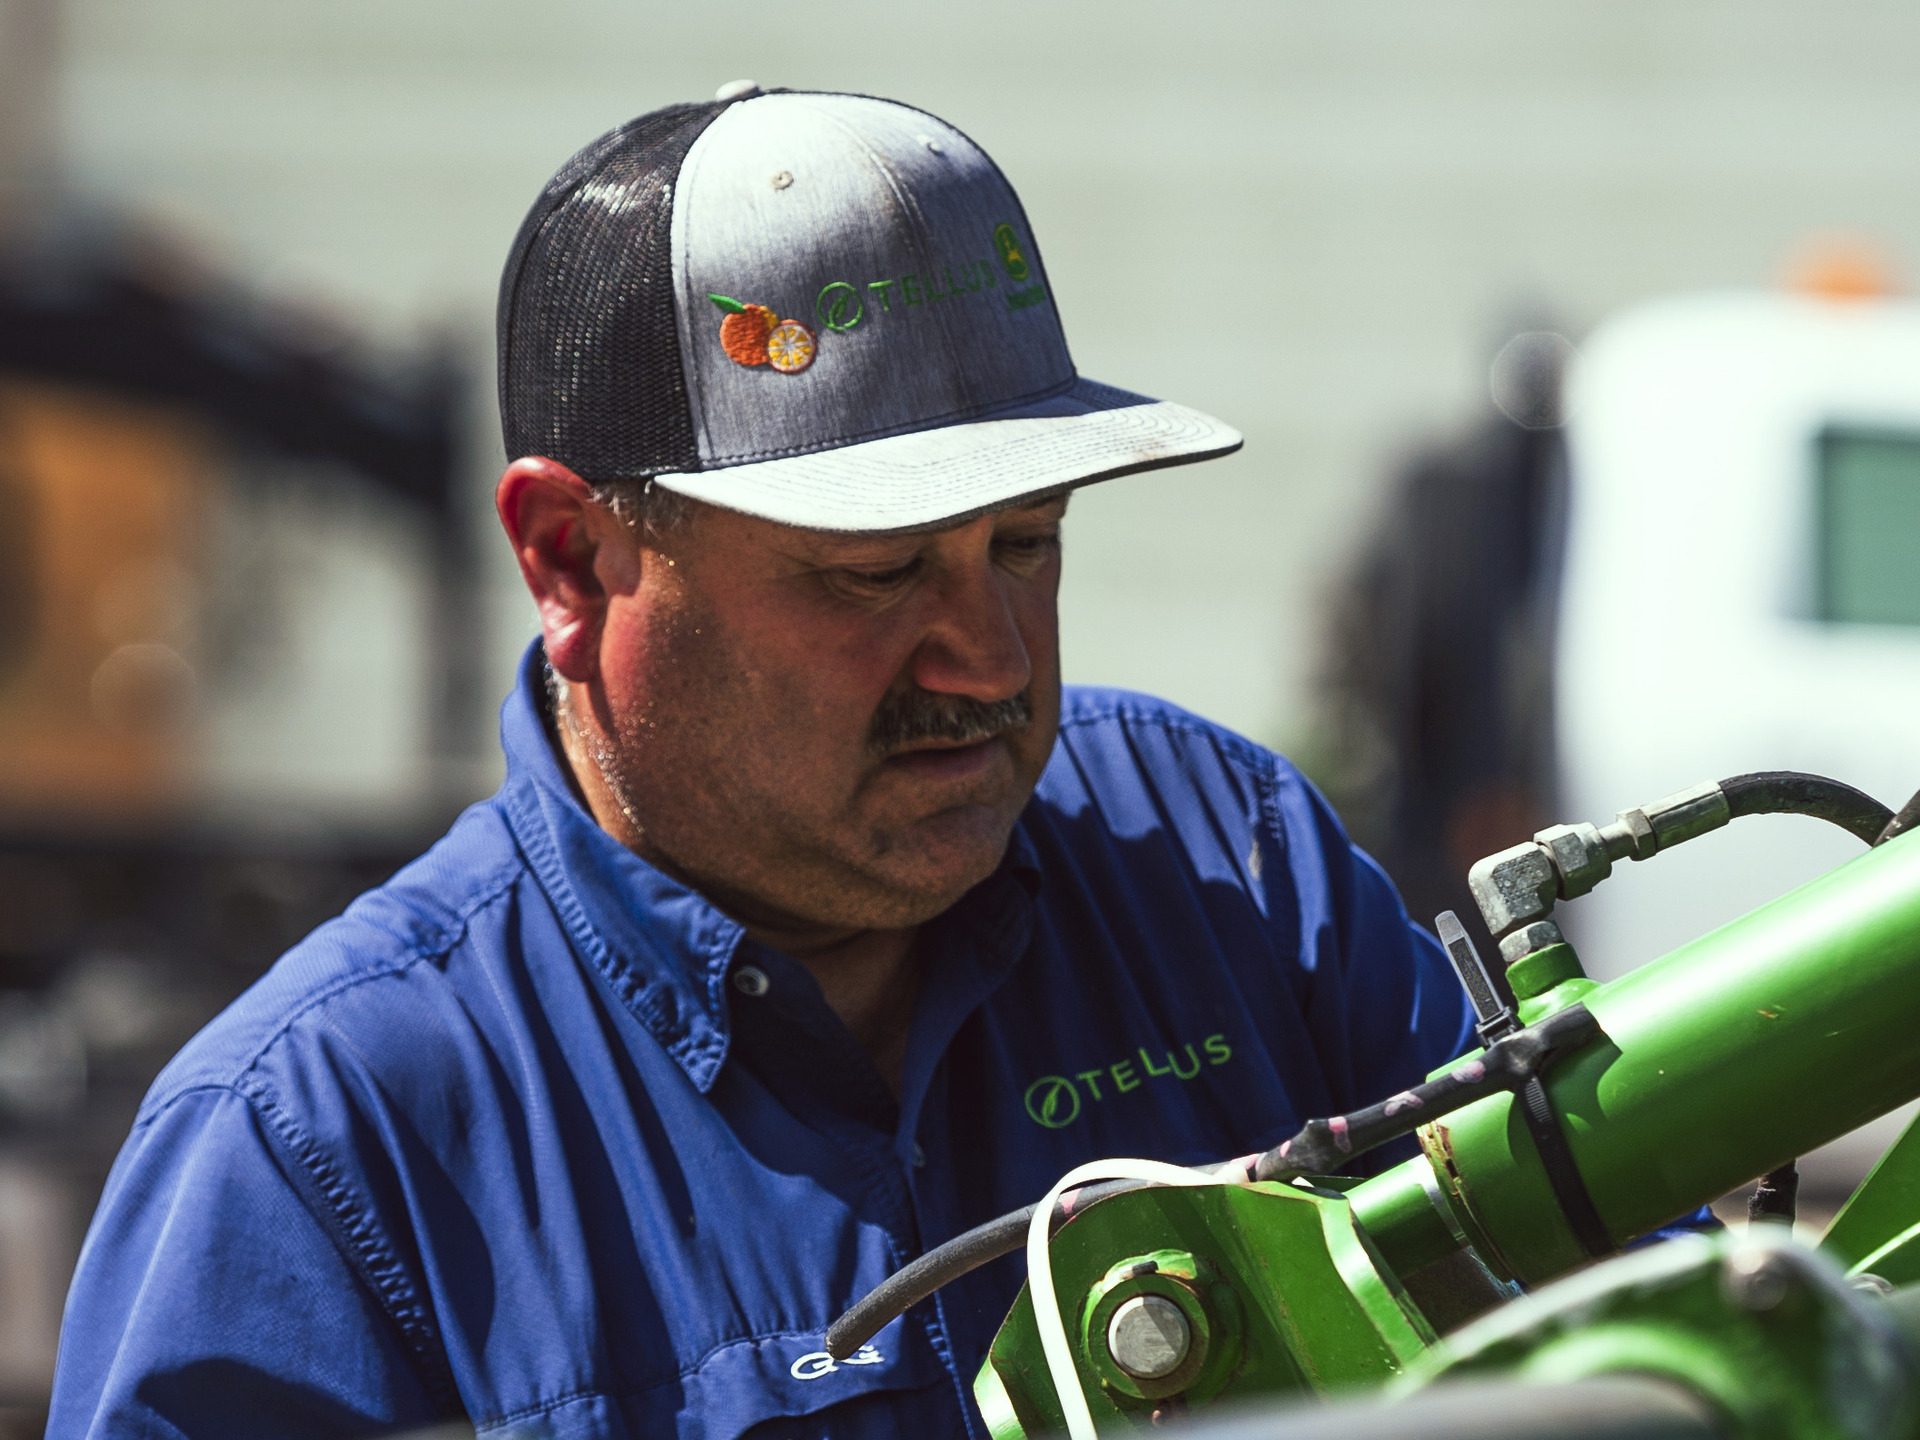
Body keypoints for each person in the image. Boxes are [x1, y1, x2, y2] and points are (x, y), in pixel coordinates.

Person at [47, 87, 1470, 1440]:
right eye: (873, 573)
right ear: (570, 557)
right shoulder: (320, 1155)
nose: (987, 659)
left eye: (1025, 543)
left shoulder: (1229, 867)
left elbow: (1601, 1338)